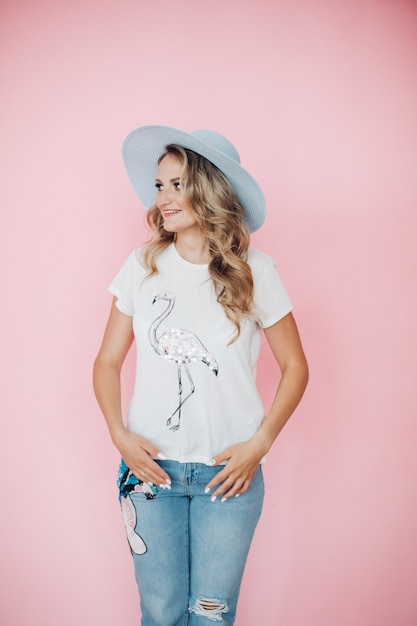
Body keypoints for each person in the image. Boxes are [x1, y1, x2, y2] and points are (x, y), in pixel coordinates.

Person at [93, 125, 309, 626]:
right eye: (159, 186)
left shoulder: (255, 271)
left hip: (227, 477)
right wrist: (118, 435)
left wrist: (260, 444)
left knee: (212, 616)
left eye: (176, 185)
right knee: (161, 612)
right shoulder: (141, 267)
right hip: (149, 474)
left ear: (209, 189)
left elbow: (296, 367)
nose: (163, 198)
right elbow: (106, 361)